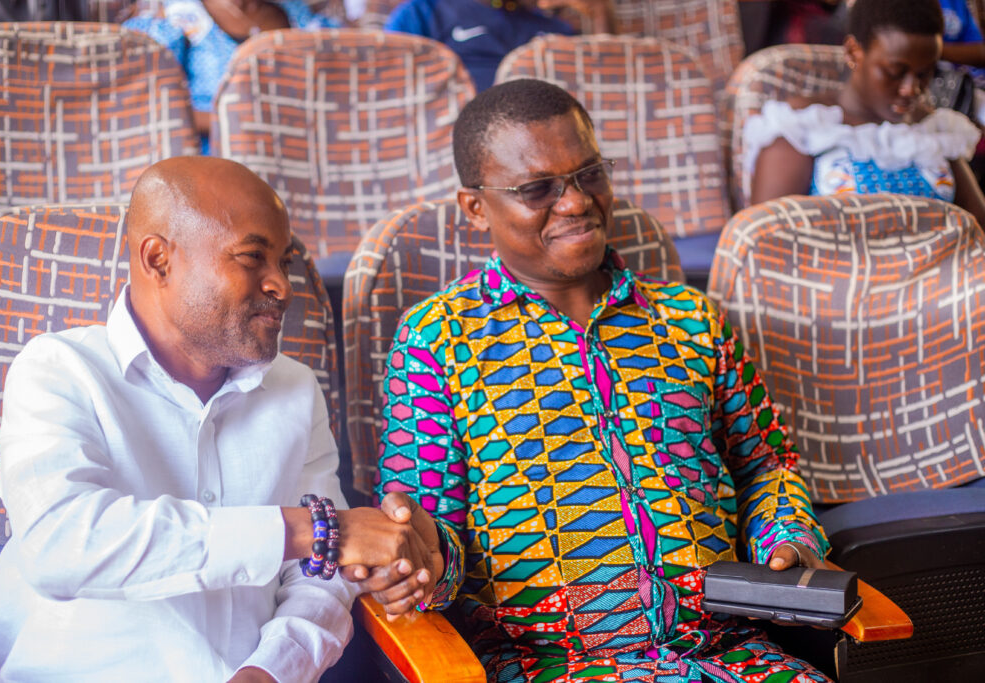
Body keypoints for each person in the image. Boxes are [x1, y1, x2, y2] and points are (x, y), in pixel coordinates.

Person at [374, 78, 833, 682]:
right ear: (476, 207)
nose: (574, 203)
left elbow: (766, 463)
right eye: (537, 189)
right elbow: (433, 534)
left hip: (732, 655)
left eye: (588, 174)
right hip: (553, 667)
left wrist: (786, 535)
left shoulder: (691, 319)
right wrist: (421, 562)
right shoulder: (437, 340)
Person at [0, 157, 439, 682]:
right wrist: (307, 529)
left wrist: (270, 671)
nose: (282, 286)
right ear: (158, 260)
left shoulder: (295, 389)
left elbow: (322, 576)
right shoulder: (58, 369)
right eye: (253, 257)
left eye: (284, 263)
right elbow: (61, 545)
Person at [745, 0, 985, 229]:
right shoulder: (801, 127)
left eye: (924, 74)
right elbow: (765, 241)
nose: (911, 89)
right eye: (895, 72)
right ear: (853, 52)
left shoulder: (934, 129)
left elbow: (980, 227)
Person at [123, 0, 337, 151]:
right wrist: (242, 122)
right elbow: (151, 106)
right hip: (213, 158)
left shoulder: (297, 13)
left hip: (292, 151)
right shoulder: (178, 13)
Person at [384, 0, 616, 91]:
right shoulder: (423, 12)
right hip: (461, 138)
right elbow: (391, 84)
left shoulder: (553, 26)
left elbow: (605, 84)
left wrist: (600, 12)